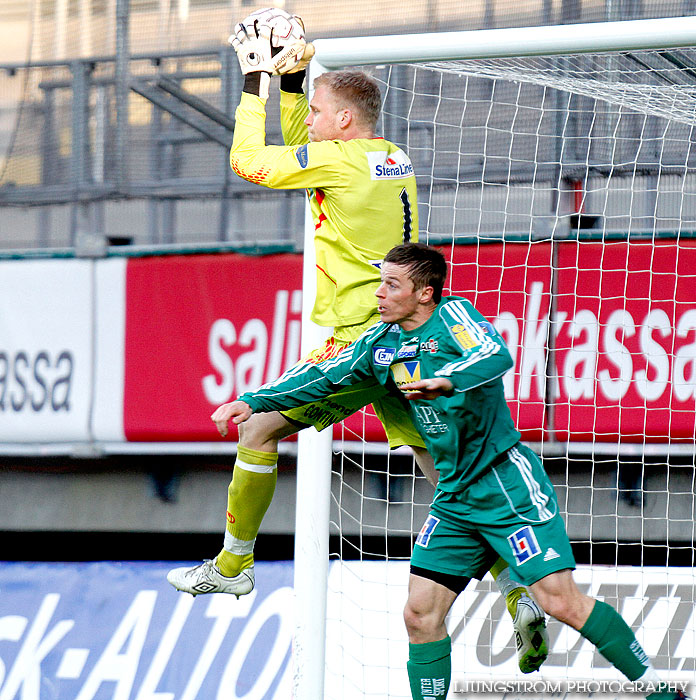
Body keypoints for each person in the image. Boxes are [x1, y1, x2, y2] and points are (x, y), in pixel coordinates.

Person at [167, 10, 548, 674]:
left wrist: (257, 79)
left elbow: (251, 161)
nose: (311, 120)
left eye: (317, 110)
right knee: (449, 484)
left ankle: (234, 565)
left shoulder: (341, 161)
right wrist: (292, 87)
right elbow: (296, 152)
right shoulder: (388, 155)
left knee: (256, 425)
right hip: (410, 342)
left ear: (345, 121)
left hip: (361, 341)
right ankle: (519, 593)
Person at [207, 242, 688, 700]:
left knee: (561, 602)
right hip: (454, 496)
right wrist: (252, 400)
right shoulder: (382, 342)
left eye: (391, 285)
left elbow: (495, 355)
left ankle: (659, 689)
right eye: (380, 283)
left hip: (505, 484)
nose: (379, 294)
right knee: (419, 614)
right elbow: (323, 377)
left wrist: (447, 380)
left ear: (425, 293)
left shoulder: (454, 318)